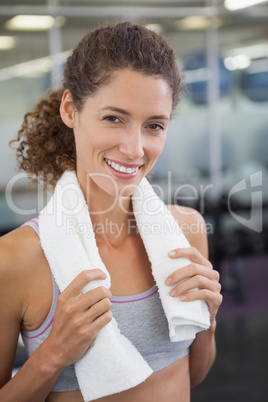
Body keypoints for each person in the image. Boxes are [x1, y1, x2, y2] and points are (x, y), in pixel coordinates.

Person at [0, 22, 222, 402]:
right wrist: (54, 354)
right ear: (70, 110)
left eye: (154, 125)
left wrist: (209, 321)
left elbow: (192, 374)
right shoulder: (16, 260)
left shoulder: (186, 230)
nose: (135, 149)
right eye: (114, 118)